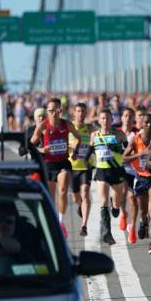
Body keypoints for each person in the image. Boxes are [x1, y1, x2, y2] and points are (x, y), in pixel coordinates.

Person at [30, 98, 82, 237]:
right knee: (51, 197)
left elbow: (78, 137)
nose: (53, 113)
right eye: (50, 110)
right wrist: (42, 150)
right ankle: (53, 221)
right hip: (49, 164)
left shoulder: (67, 124)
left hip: (64, 162)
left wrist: (76, 150)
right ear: (47, 112)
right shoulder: (43, 126)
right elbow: (31, 144)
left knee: (64, 189)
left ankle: (60, 221)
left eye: (56, 110)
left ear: (61, 110)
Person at [88, 108, 128, 245]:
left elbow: (128, 151)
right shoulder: (94, 135)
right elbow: (89, 151)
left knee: (117, 203)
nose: (105, 121)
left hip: (116, 170)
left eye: (108, 118)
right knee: (103, 201)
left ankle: (115, 207)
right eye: (102, 118)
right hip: (102, 171)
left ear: (112, 120)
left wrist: (117, 149)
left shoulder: (119, 135)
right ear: (99, 121)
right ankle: (107, 233)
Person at [122, 112, 151, 245]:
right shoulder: (135, 139)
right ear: (142, 124)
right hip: (140, 177)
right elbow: (123, 158)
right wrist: (139, 154)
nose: (149, 125)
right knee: (143, 211)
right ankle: (143, 222)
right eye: (146, 123)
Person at [69, 103, 94, 237]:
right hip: (72, 167)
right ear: (74, 113)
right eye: (78, 111)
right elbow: (62, 143)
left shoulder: (89, 129)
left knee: (85, 193)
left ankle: (84, 225)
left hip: (86, 165)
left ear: (85, 113)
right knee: (76, 197)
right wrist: (71, 145)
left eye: (82, 111)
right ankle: (80, 206)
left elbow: (95, 140)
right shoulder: (69, 127)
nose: (80, 114)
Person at [119, 107, 139, 236]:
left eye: (130, 116)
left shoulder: (137, 134)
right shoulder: (116, 133)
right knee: (122, 193)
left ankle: (132, 226)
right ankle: (123, 213)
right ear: (121, 118)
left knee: (132, 198)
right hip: (119, 169)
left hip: (133, 170)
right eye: (125, 115)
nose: (128, 118)